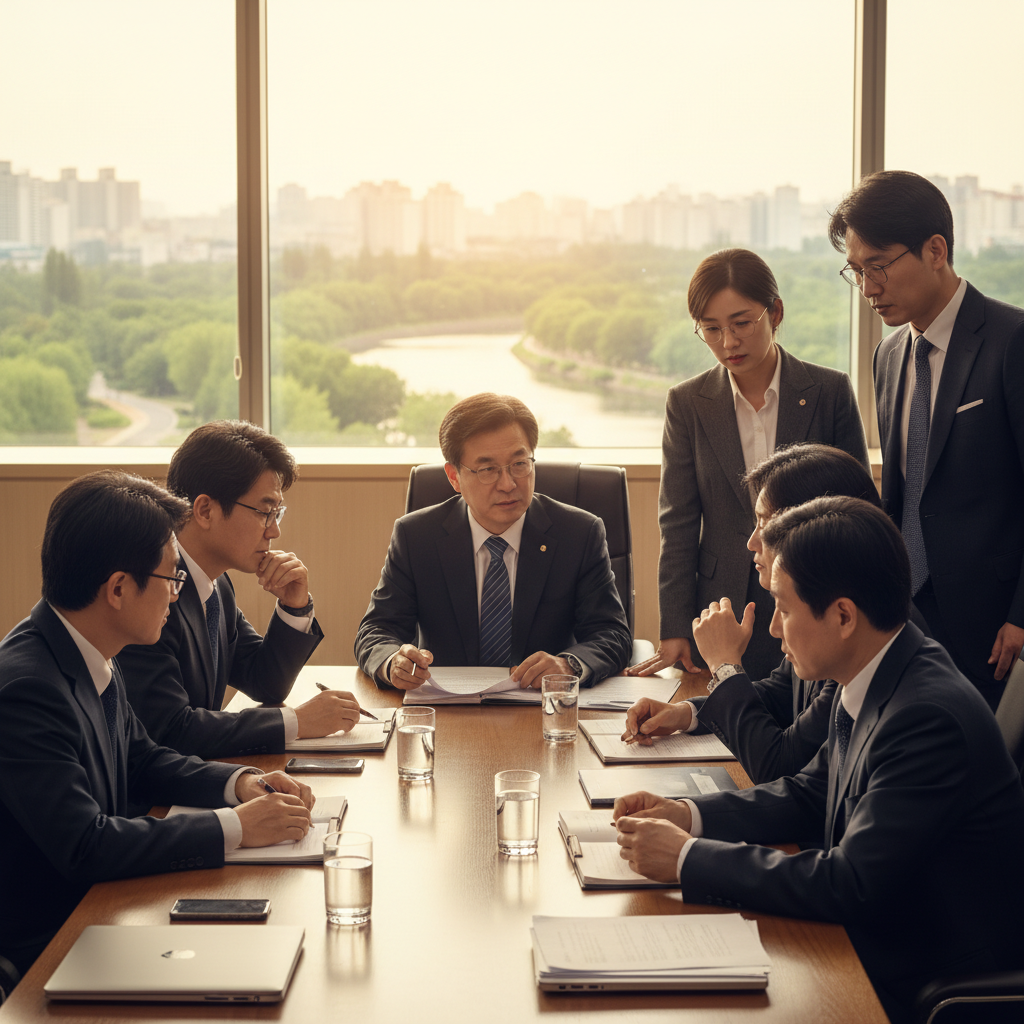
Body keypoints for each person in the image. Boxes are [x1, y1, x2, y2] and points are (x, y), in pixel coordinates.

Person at [613, 496, 1024, 1022]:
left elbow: (850, 885)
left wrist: (688, 857)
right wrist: (688, 815)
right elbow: (809, 792)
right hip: (867, 942)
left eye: (784, 609)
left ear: (844, 615)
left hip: (920, 979)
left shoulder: (925, 717)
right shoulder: (878, 671)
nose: (774, 630)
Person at [0, 471, 314, 978]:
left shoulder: (88, 649)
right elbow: (85, 845)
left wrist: (241, 785)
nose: (177, 595)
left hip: (109, 909)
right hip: (54, 945)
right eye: (173, 579)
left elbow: (142, 758)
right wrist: (233, 828)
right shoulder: (26, 689)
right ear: (119, 589)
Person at [828, 169, 1024, 710]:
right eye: (855, 270)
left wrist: (1021, 617)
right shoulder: (889, 356)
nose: (867, 288)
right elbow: (899, 493)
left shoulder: (1012, 341)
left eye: (878, 266)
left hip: (995, 630)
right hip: (904, 618)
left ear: (935, 250)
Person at [627, 248, 869, 683]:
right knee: (718, 726)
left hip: (814, 597)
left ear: (774, 312)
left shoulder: (829, 391)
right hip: (722, 608)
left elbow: (858, 508)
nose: (728, 343)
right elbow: (678, 521)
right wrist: (676, 625)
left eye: (741, 324)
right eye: (712, 329)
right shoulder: (688, 404)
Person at [623, 443, 881, 784]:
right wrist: (686, 714)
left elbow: (780, 765)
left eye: (765, 524)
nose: (752, 542)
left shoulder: (852, 626)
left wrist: (725, 666)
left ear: (816, 523)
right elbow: (779, 694)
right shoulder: (818, 600)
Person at [355, 393, 632, 689]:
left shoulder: (579, 534)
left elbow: (612, 635)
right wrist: (392, 662)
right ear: (454, 477)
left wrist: (567, 664)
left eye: (519, 464)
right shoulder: (416, 537)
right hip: (450, 710)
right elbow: (375, 631)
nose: (508, 484)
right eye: (488, 470)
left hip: (542, 709)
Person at [119, 420, 359, 760]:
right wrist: (296, 721)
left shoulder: (216, 585)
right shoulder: (151, 590)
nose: (274, 531)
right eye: (265, 512)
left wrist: (294, 607)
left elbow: (265, 681)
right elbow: (171, 730)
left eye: (278, 513)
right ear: (205, 510)